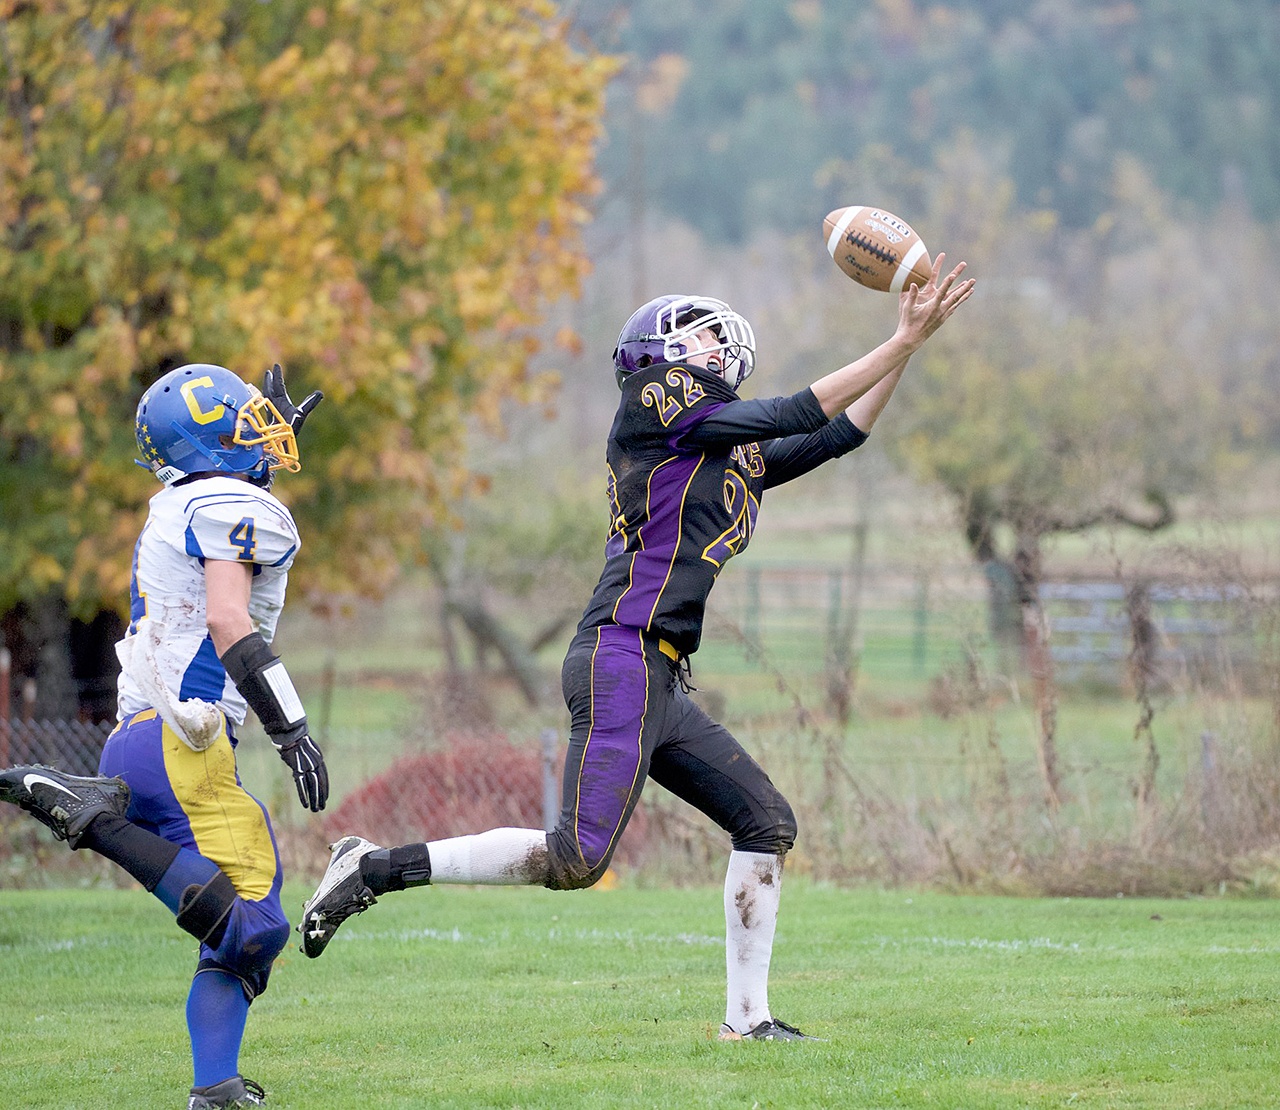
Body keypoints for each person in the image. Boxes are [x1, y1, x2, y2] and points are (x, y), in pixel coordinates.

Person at [299, 256, 975, 1040]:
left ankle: (747, 1023)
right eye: (706, 339)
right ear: (665, 354)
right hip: (621, 653)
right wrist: (896, 343)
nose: (722, 350)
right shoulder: (653, 406)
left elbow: (834, 435)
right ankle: (372, 867)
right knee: (577, 859)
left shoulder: (720, 450)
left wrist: (907, 344)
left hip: (658, 673)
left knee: (765, 821)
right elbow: (791, 410)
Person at [0, 363, 328, 1108]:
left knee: (238, 937)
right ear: (212, 444)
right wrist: (293, 728)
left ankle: (214, 1088)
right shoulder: (228, 502)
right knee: (257, 927)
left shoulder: (190, 500)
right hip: (189, 737)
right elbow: (228, 619)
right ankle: (87, 817)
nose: (267, 435)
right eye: (247, 426)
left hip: (142, 741)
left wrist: (256, 471)